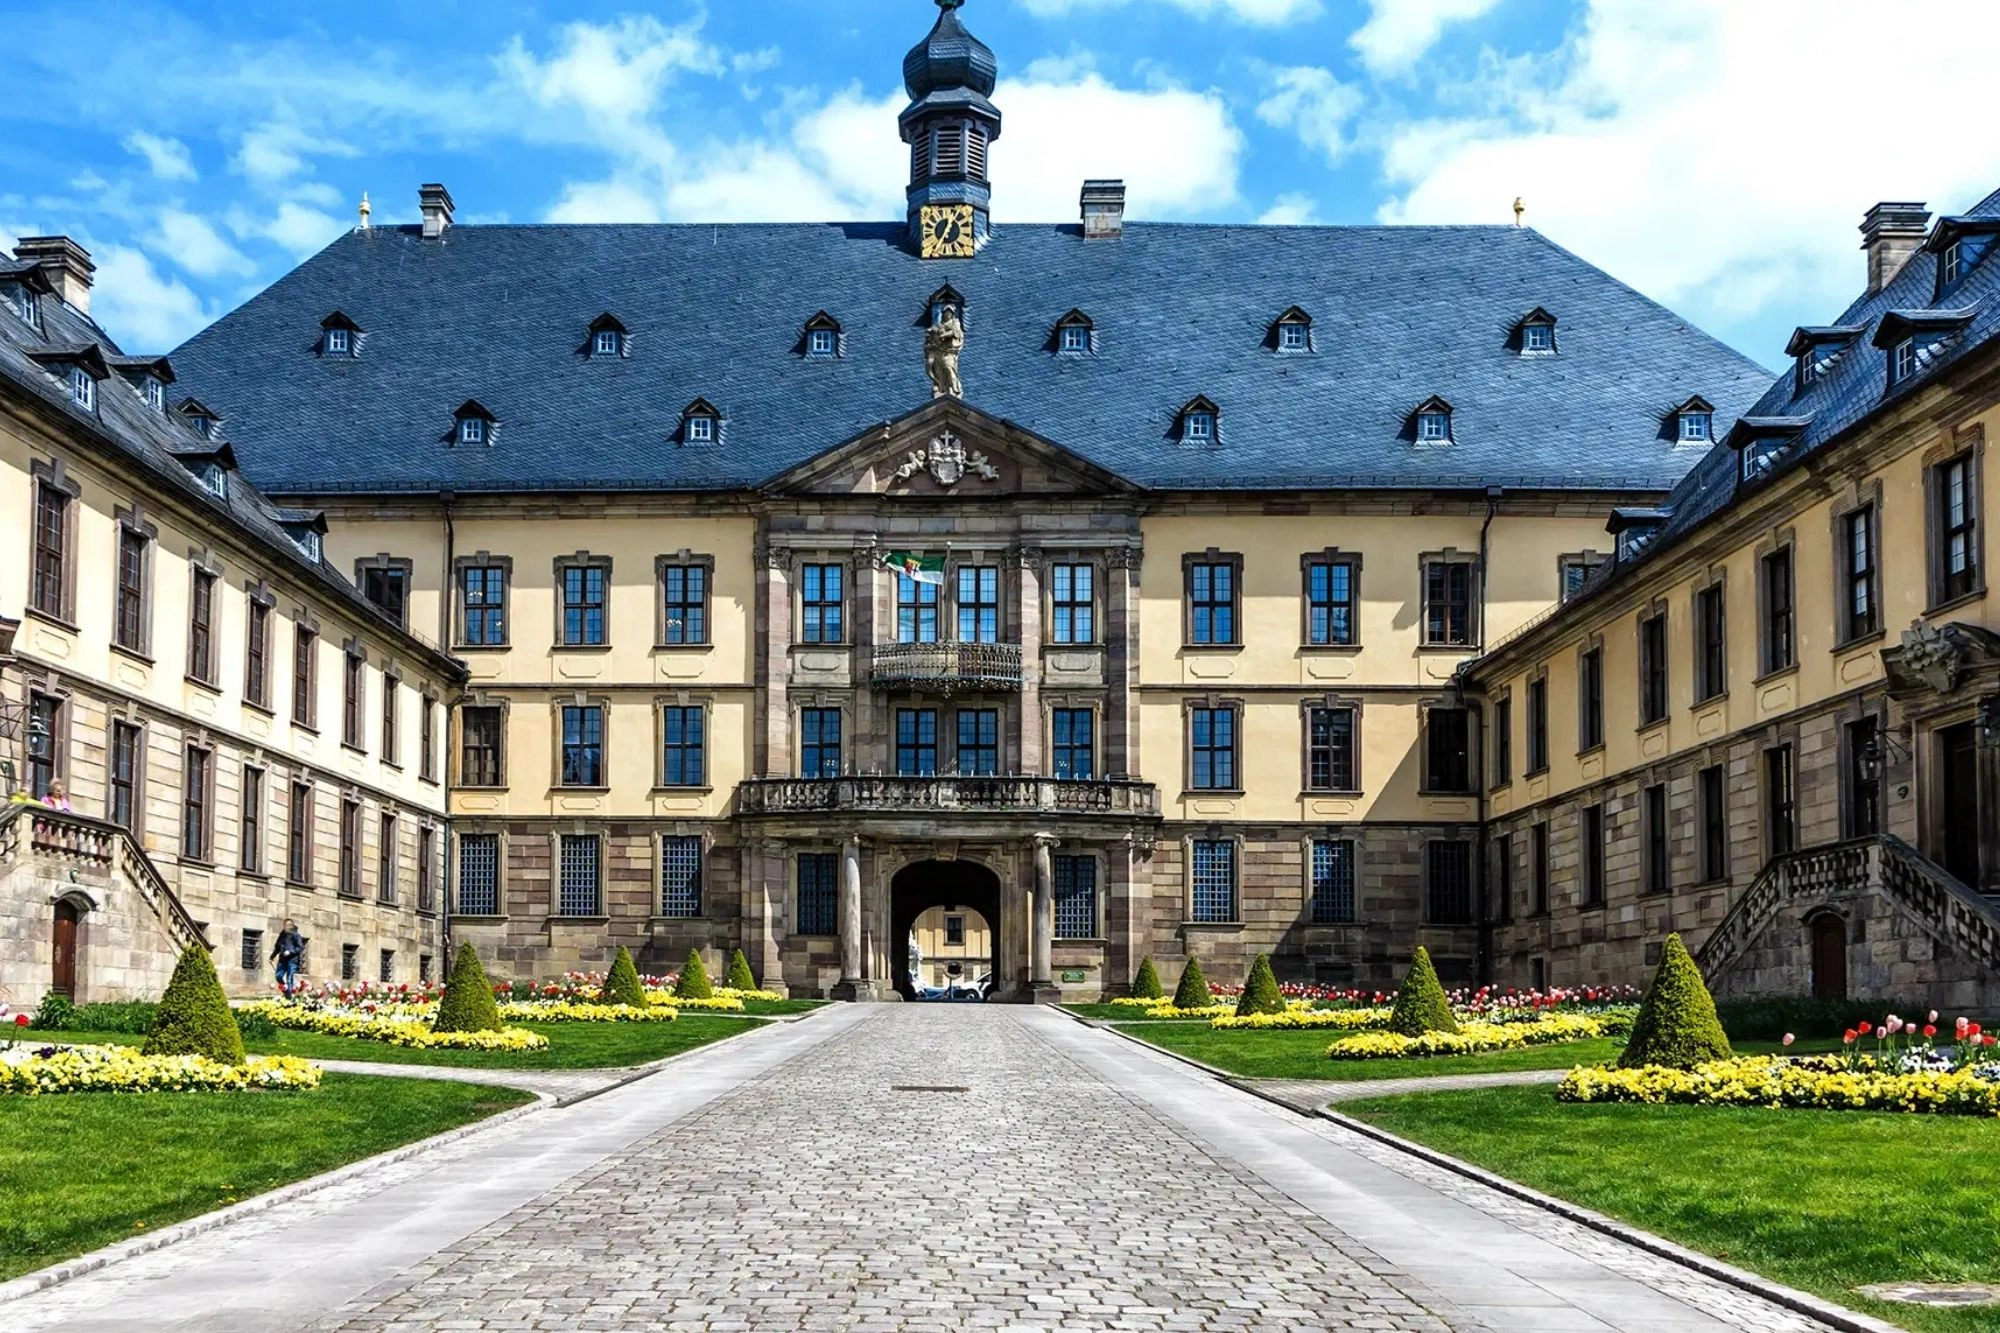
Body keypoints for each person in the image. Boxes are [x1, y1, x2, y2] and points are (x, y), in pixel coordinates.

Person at [271, 919, 306, 995]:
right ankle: (286, 991)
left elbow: (300, 947)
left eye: (290, 925)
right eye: (286, 925)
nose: (288, 927)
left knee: (289, 979)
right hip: (282, 960)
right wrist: (272, 956)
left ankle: (289, 998)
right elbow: (277, 947)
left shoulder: (296, 935)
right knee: (278, 976)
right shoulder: (282, 935)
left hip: (292, 960)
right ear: (284, 926)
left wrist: (290, 951)